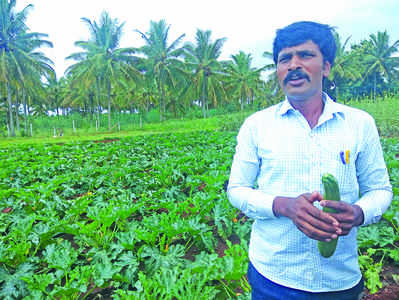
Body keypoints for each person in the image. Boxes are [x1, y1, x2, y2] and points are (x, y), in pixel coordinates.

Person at [227, 21, 392, 300]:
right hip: (273, 276)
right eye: (284, 59)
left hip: (338, 279)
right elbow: (237, 189)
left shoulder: (359, 123)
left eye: (305, 55)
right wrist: (283, 206)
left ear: (326, 67)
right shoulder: (256, 125)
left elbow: (380, 190)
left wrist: (359, 213)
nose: (293, 65)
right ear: (278, 71)